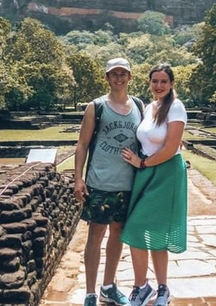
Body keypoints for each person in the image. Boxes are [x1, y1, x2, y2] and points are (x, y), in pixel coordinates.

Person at [74, 57, 144, 306]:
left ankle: (108, 286)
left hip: (128, 183)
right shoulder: (96, 106)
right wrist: (78, 178)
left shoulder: (138, 105)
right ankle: (91, 292)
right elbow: (82, 144)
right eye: (114, 74)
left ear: (130, 77)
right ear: (107, 78)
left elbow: (145, 141)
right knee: (96, 234)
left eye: (123, 73)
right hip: (100, 181)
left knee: (118, 234)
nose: (119, 78)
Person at [120, 63, 188, 306]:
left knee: (140, 229)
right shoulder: (149, 108)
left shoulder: (176, 107)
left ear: (171, 85)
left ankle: (154, 288)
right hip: (147, 173)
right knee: (148, 232)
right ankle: (149, 288)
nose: (159, 86)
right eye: (155, 81)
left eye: (164, 82)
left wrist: (141, 163)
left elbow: (171, 149)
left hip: (166, 173)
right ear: (149, 83)